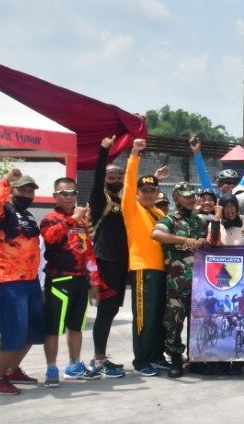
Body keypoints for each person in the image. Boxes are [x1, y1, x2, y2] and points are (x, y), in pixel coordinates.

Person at [0, 168, 45, 393]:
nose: (27, 194)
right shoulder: (4, 211)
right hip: (8, 280)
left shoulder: (29, 215)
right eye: (23, 189)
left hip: (30, 280)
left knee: (34, 330)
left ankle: (13, 369)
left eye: (31, 190)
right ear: (13, 191)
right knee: (14, 330)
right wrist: (6, 181)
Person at [40, 177, 99, 382]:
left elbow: (88, 252)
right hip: (58, 280)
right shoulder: (50, 218)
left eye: (73, 193)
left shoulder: (82, 221)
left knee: (76, 326)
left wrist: (94, 282)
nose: (69, 197)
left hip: (80, 281)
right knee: (54, 328)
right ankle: (51, 368)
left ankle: (74, 365)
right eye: (64, 193)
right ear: (55, 196)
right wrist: (72, 219)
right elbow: (51, 238)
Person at [122, 138, 169, 376]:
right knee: (143, 317)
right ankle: (141, 360)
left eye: (153, 190)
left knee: (157, 317)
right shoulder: (132, 207)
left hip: (161, 270)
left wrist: (154, 176)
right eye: (145, 191)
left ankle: (155, 355)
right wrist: (134, 155)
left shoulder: (159, 211)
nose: (149, 194)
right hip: (142, 268)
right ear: (138, 193)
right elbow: (129, 183)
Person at [151, 182, 208, 377]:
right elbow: (156, 234)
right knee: (174, 321)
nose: (191, 199)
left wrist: (203, 242)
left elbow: (206, 243)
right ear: (176, 198)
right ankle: (175, 357)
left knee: (198, 320)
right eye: (186, 196)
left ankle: (195, 357)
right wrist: (184, 240)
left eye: (193, 195)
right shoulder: (170, 219)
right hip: (177, 282)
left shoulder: (199, 221)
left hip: (200, 281)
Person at [87, 136, 129, 377]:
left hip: (121, 264)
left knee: (111, 311)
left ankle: (101, 358)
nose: (116, 180)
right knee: (105, 311)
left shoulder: (123, 202)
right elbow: (96, 178)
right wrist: (104, 151)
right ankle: (99, 360)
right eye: (111, 177)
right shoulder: (100, 199)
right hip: (106, 262)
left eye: (119, 177)